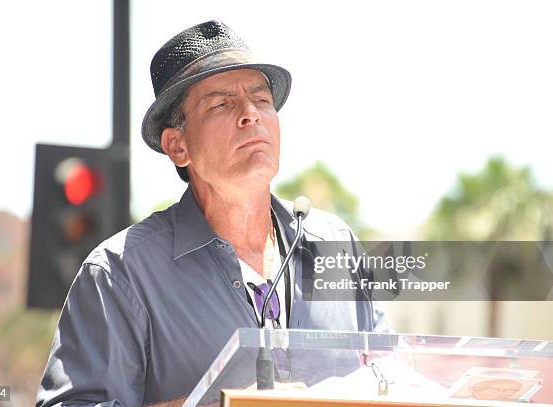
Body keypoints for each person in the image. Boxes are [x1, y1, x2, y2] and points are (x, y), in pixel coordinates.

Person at [36, 20, 392, 407]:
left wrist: (454, 386)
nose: (250, 114)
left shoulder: (334, 244)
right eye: (222, 104)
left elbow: (392, 373)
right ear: (177, 146)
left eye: (261, 100)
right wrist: (215, 404)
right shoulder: (120, 272)